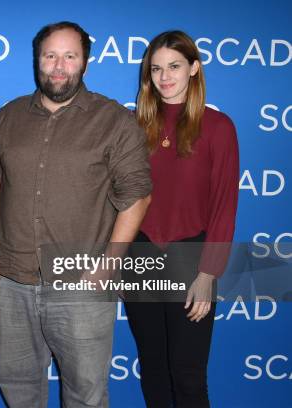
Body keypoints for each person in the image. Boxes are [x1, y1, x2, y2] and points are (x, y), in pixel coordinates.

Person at [0, 22, 152, 408]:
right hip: (14, 279)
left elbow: (137, 195)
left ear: (85, 64)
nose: (59, 66)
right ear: (37, 60)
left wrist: (110, 263)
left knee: (85, 395)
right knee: (17, 386)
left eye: (69, 56)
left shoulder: (114, 121)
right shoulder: (9, 116)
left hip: (82, 285)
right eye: (50, 56)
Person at [126, 30, 239, 407]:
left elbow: (224, 206)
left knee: (189, 376)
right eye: (156, 69)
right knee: (154, 369)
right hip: (139, 255)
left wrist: (208, 274)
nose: (164, 76)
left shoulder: (219, 127)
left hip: (190, 257)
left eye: (174, 66)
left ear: (194, 67)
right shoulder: (134, 127)